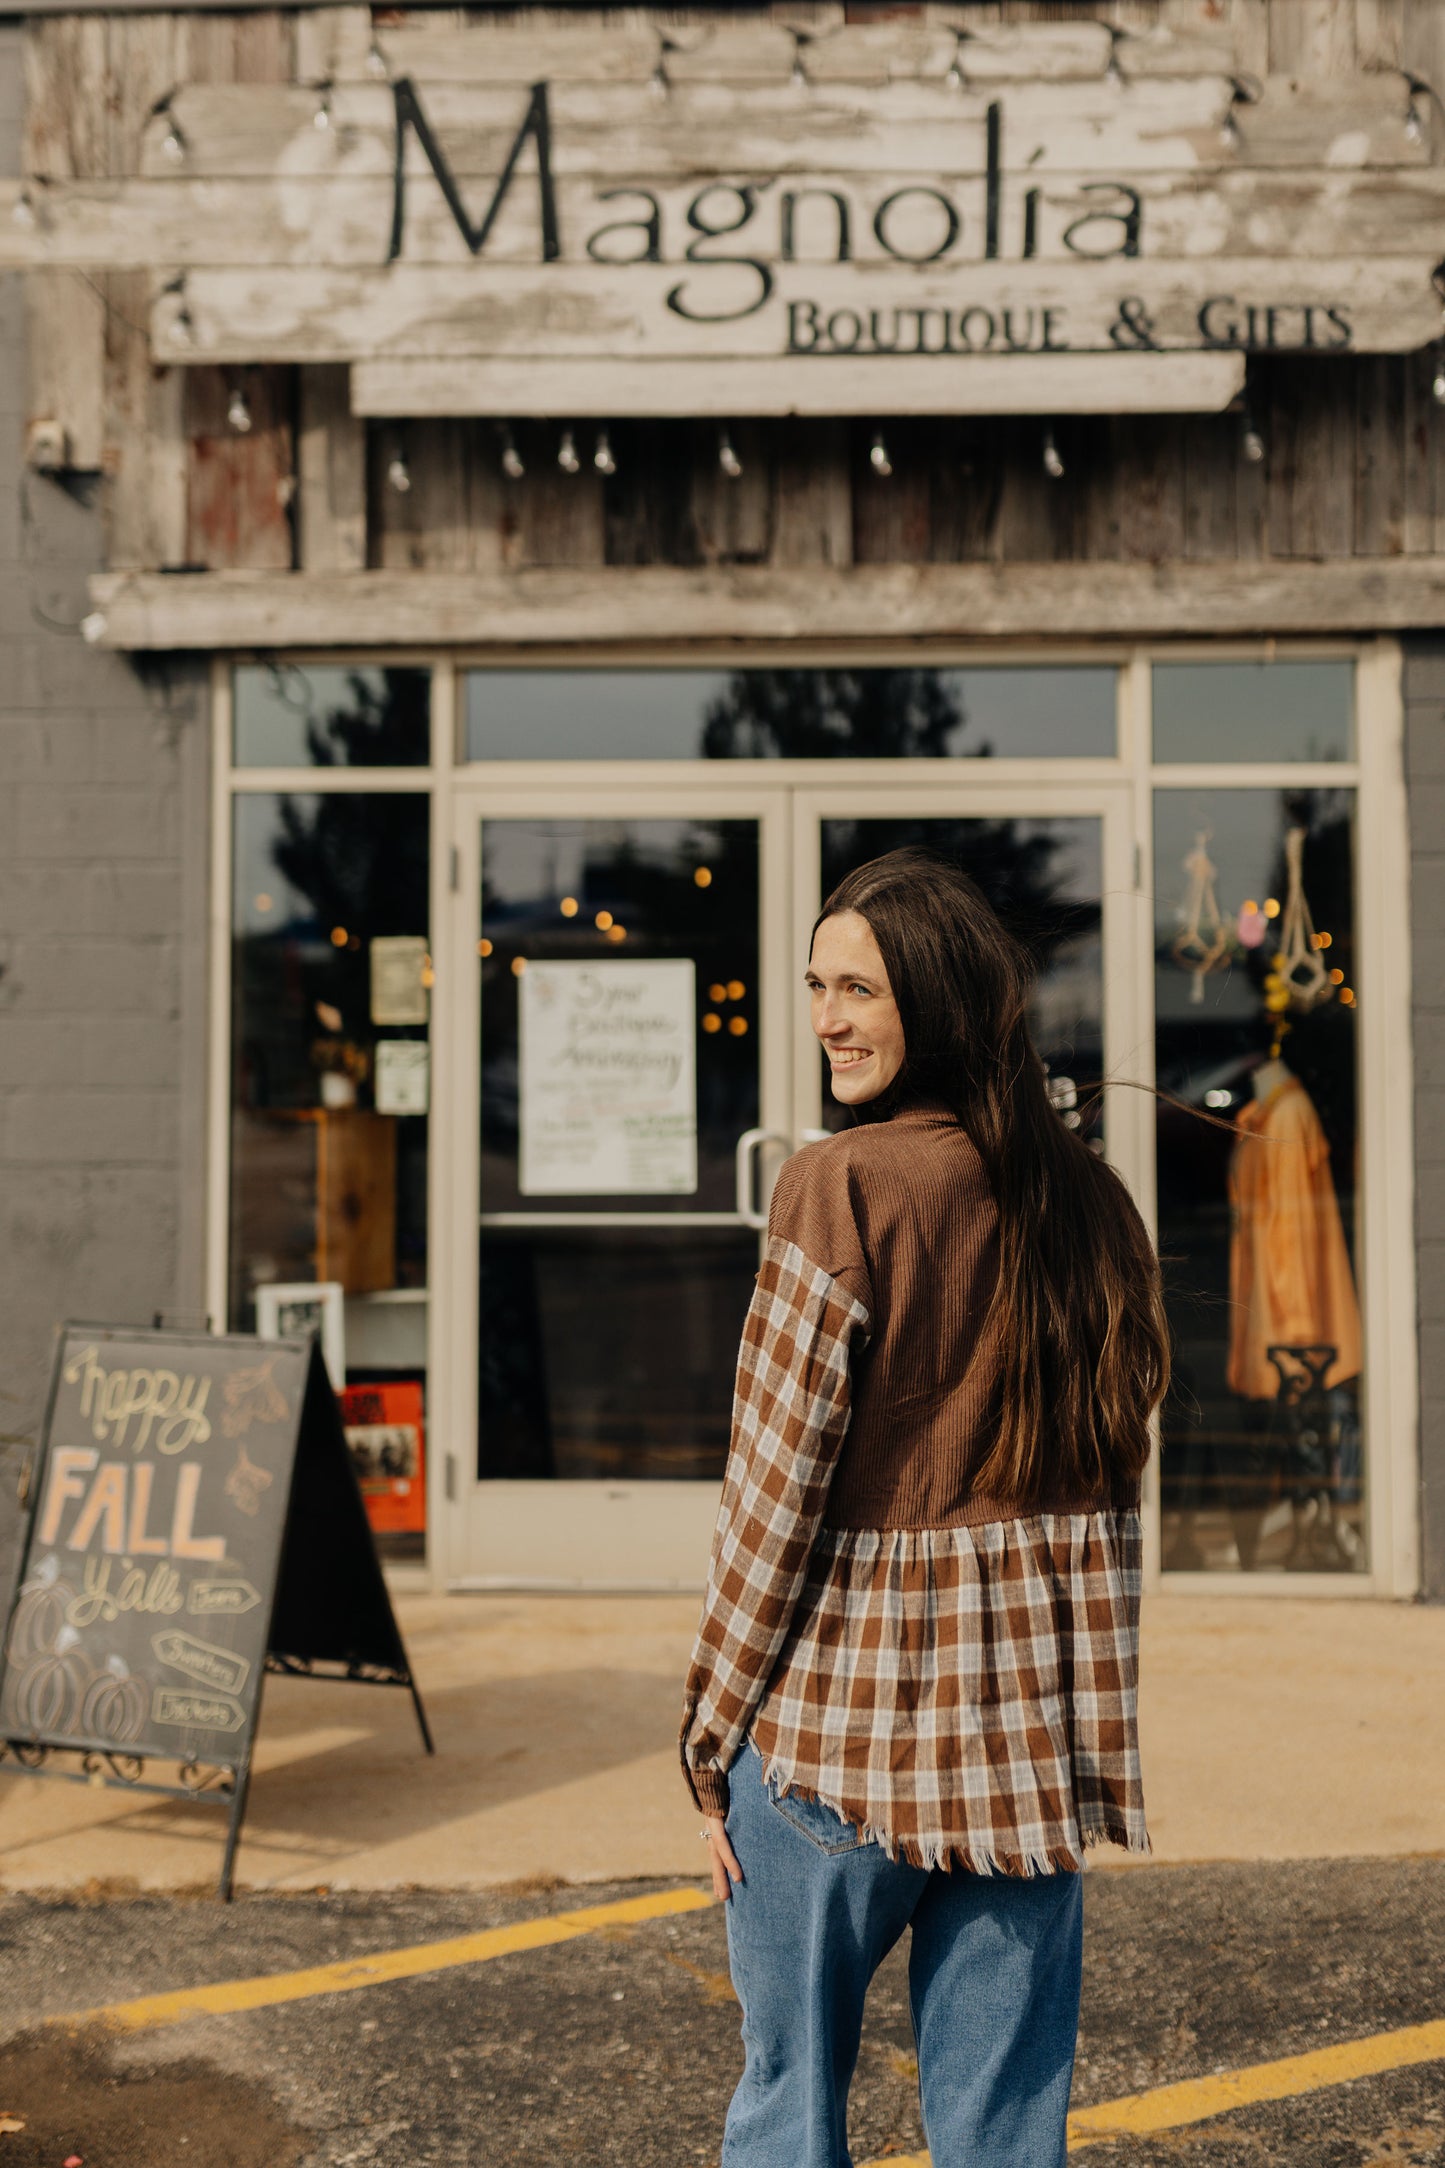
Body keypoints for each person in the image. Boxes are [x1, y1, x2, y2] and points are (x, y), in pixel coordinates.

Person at [680, 848, 1169, 2168]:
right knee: (1006, 2135)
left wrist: (708, 1736)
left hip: (843, 1743)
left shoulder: (840, 1185)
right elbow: (1111, 1492)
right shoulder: (1091, 1204)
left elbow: (771, 1497)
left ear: (938, 1002)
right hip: (1022, 1750)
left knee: (789, 2107)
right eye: (817, 986)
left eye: (860, 989)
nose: (827, 1018)